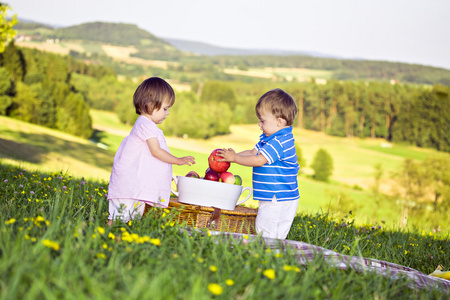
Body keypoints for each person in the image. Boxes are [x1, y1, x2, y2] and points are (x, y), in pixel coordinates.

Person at [107, 77, 195, 225]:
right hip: (129, 186)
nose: (167, 113)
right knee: (119, 217)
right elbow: (156, 151)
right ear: (150, 105)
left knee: (130, 218)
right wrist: (178, 161)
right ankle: (104, 238)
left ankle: (119, 241)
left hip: (136, 187)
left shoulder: (148, 126)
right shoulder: (145, 125)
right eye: (165, 108)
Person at [217, 88, 300, 239]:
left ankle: (266, 255)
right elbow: (253, 152)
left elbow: (259, 160)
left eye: (262, 120)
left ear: (279, 121)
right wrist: (232, 156)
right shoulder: (270, 138)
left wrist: (235, 158)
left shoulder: (279, 141)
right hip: (274, 196)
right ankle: (271, 254)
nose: (259, 124)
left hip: (278, 197)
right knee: (270, 230)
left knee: (266, 230)